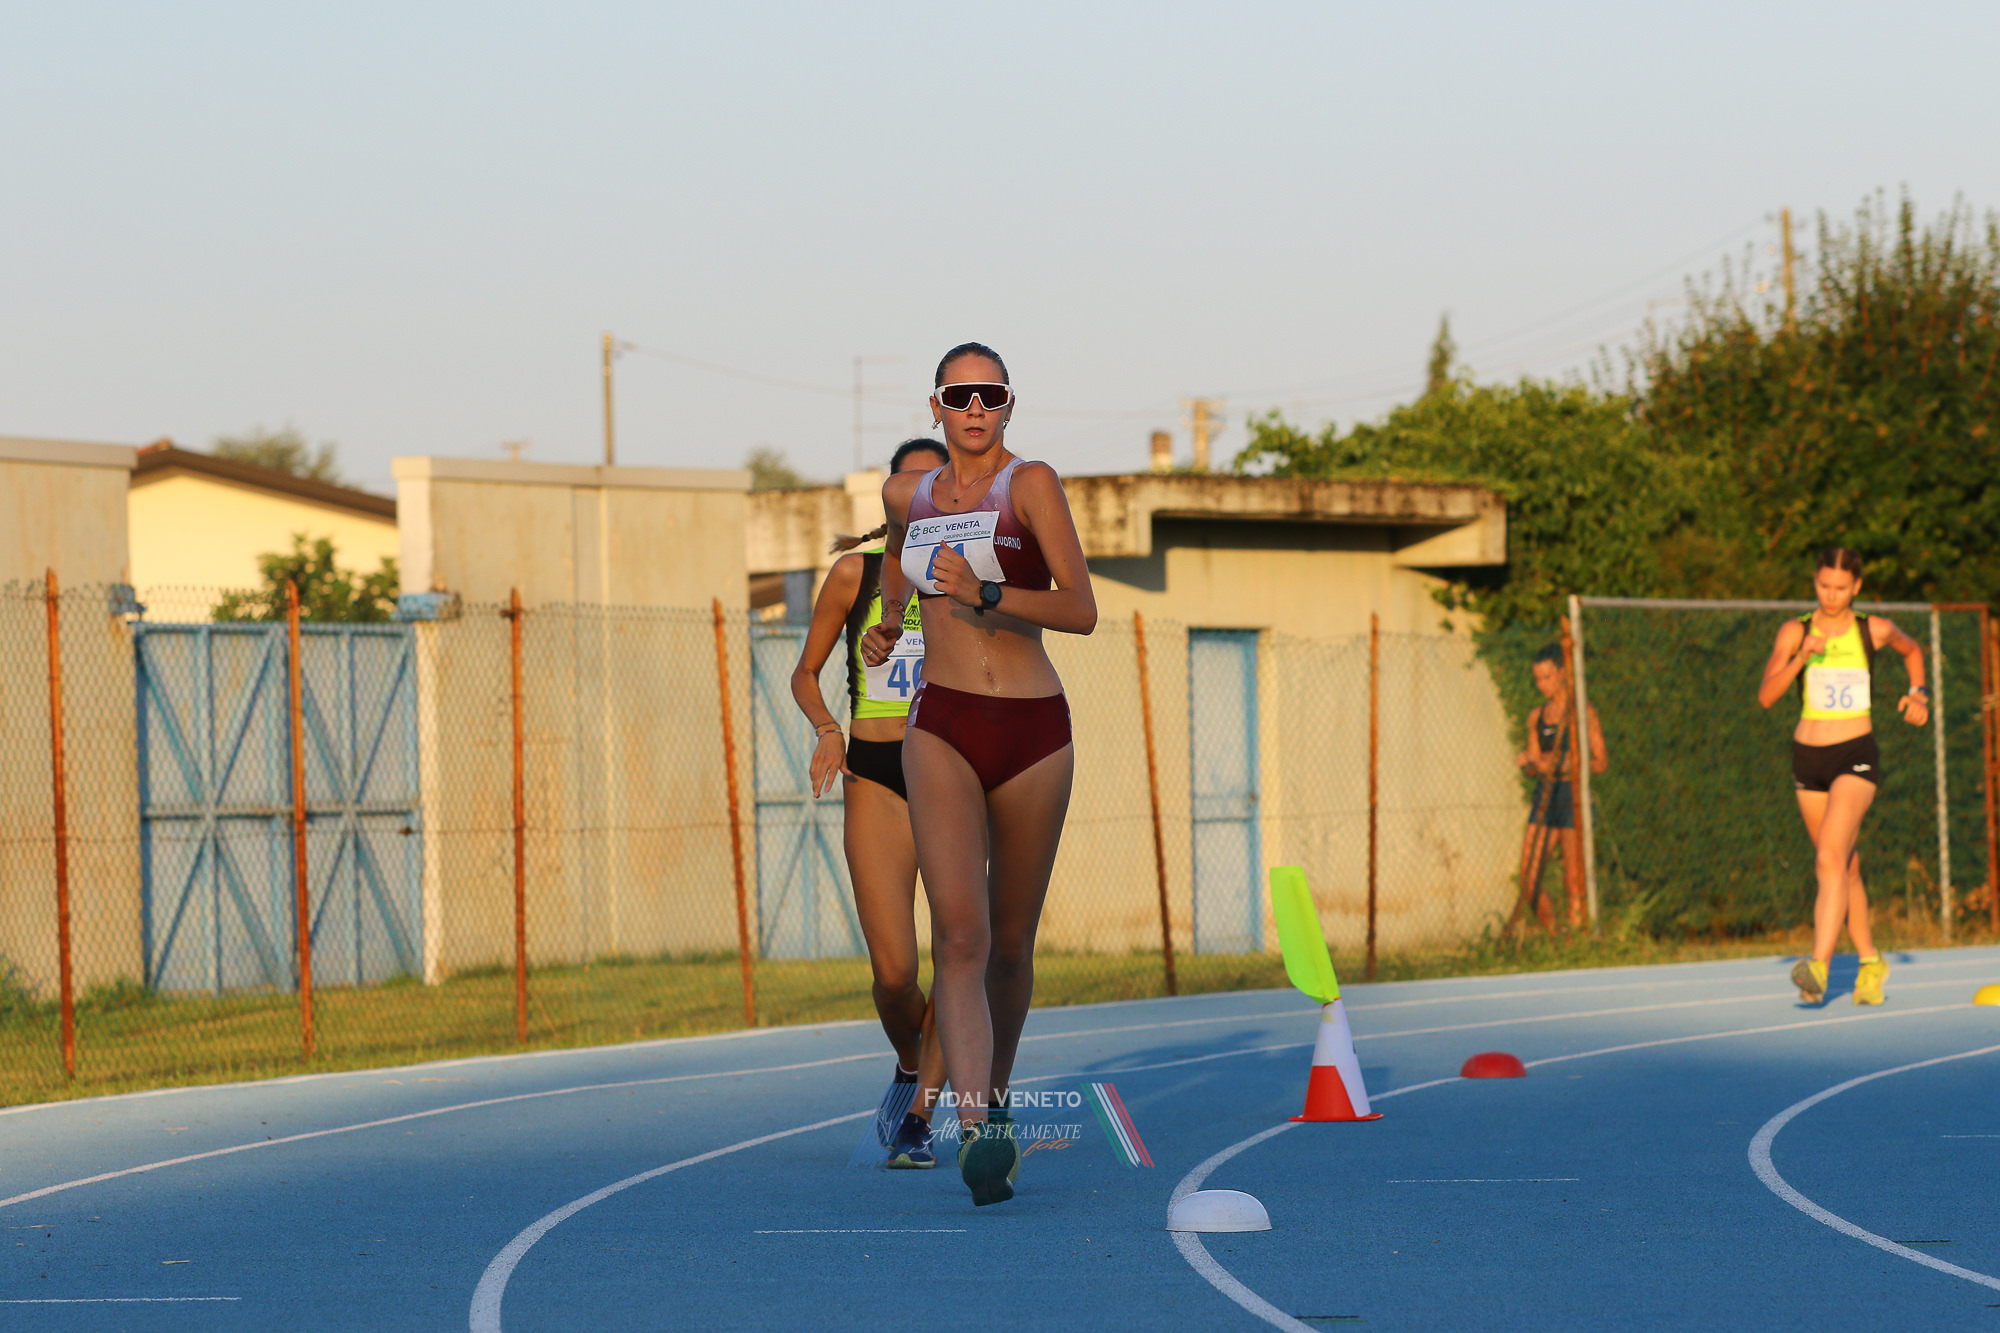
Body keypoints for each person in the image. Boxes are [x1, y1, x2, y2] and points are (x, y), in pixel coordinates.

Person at [862, 342, 1097, 1207]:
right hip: (943, 725)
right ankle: (977, 1130)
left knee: (1010, 941)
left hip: (1033, 728)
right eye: (959, 395)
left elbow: (1082, 608)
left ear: (1007, 405)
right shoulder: (908, 493)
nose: (974, 408)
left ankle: (993, 1097)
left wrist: (987, 594)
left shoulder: (1029, 484)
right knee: (957, 937)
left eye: (989, 394)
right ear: (935, 406)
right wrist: (892, 618)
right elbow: (897, 550)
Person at [790, 437, 951, 1168]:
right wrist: (829, 729)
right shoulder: (854, 574)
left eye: (931, 483)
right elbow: (805, 672)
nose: (916, 496)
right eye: (905, 484)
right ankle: (916, 1064)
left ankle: (921, 1117)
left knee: (959, 958)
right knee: (893, 973)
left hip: (951, 773)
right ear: (889, 495)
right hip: (876, 773)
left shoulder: (963, 574)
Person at [1757, 546, 1929, 1006]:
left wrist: (1918, 693)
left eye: (1840, 587)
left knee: (1829, 856)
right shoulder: (1795, 631)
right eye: (1823, 586)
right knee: (1843, 867)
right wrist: (1800, 658)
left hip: (1855, 755)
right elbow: (1767, 696)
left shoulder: (1874, 629)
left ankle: (1818, 965)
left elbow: (1913, 650)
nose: (1831, 595)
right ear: (1815, 582)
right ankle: (1870, 961)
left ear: (1856, 587)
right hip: (1808, 760)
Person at [1513, 643, 1608, 930]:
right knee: (1528, 877)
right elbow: (1536, 765)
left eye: (1547, 677)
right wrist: (1528, 763)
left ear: (1563, 673)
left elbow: (1601, 761)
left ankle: (1576, 941)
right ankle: (1554, 936)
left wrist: (1570, 765)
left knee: (1574, 882)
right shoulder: (1536, 717)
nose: (1542, 685)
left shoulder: (1582, 712)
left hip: (1571, 797)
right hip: (1545, 797)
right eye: (1537, 679)